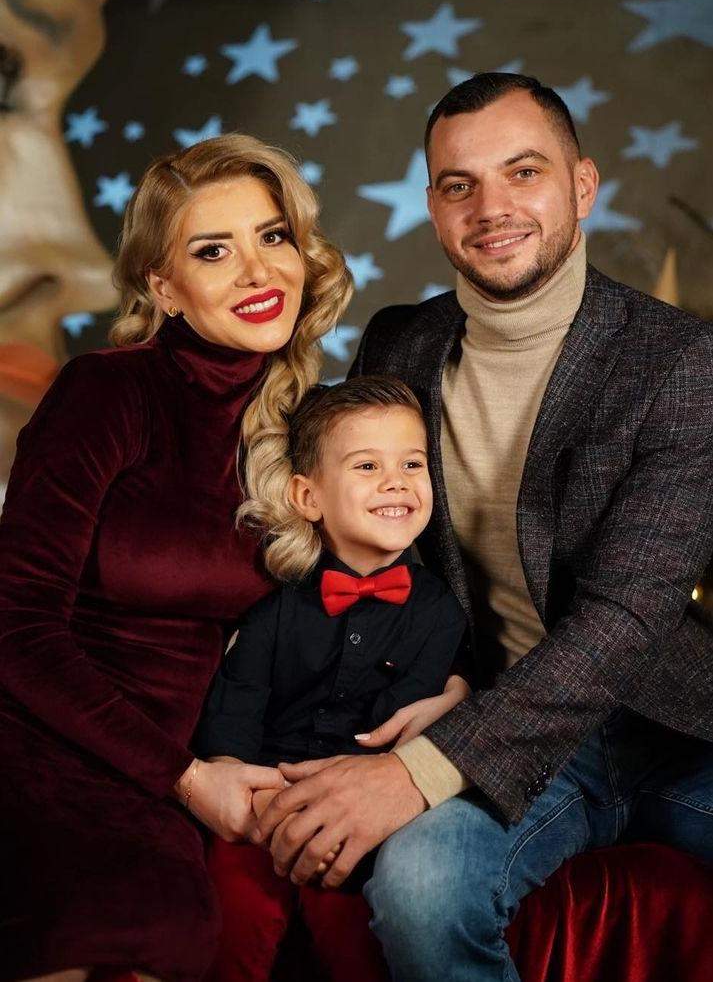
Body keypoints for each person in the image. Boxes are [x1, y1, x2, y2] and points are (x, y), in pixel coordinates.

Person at [249, 73, 713, 982]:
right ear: (432, 208)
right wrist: (444, 677)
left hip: (672, 730)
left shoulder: (679, 361)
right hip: (505, 723)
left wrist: (417, 771)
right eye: (458, 184)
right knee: (421, 889)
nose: (490, 208)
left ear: (582, 185)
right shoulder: (400, 345)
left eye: (522, 172)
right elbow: (382, 547)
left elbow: (626, 618)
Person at [0, 132, 354, 982]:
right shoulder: (106, 391)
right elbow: (13, 624)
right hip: (37, 737)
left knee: (172, 924)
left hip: (160, 770)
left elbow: (365, 603)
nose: (257, 271)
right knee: (117, 922)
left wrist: (447, 680)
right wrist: (187, 778)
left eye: (272, 236)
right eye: (212, 251)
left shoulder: (310, 426)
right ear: (163, 287)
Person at [194, 375, 469, 982]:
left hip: (362, 807)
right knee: (233, 912)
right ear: (308, 496)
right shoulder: (272, 601)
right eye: (367, 465)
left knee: (356, 935)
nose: (396, 481)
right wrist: (248, 787)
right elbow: (237, 703)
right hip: (262, 797)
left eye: (412, 464)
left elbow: (402, 728)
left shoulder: (440, 613)